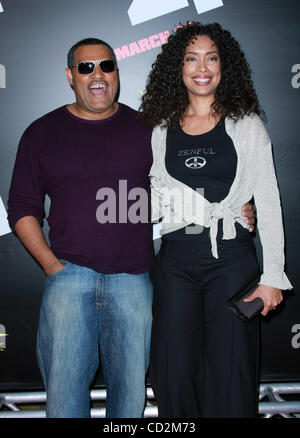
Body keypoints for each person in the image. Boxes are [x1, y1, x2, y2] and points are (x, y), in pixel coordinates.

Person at [7, 36, 255, 418]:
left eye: (106, 65)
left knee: (129, 401)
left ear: (116, 73)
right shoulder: (41, 133)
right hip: (68, 278)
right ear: (70, 75)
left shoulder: (149, 129)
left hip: (135, 283)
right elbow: (23, 207)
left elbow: (181, 187)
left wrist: (236, 206)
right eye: (86, 67)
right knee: (63, 397)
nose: (97, 75)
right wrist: (52, 267)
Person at [138, 22, 292, 418]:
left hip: (232, 262)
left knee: (231, 373)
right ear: (178, 67)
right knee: (172, 373)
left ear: (225, 66)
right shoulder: (158, 128)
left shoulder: (248, 125)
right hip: (175, 263)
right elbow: (153, 203)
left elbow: (269, 201)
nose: (201, 67)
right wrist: (194, 208)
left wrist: (273, 275)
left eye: (211, 57)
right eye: (191, 58)